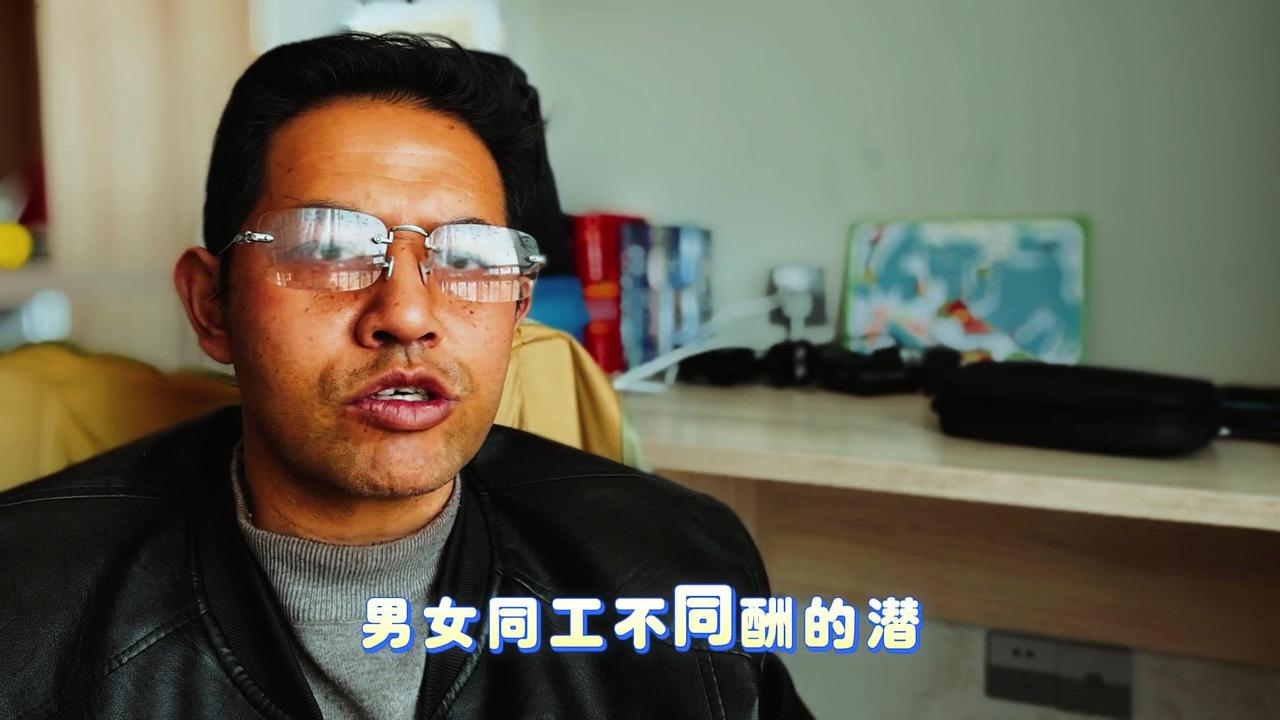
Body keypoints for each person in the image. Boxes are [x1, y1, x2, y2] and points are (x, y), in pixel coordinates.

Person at [0, 33, 810, 719]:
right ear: (212, 305)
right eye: (327, 248)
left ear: (518, 307)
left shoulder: (680, 570)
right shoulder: (22, 607)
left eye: (470, 258)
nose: (408, 313)